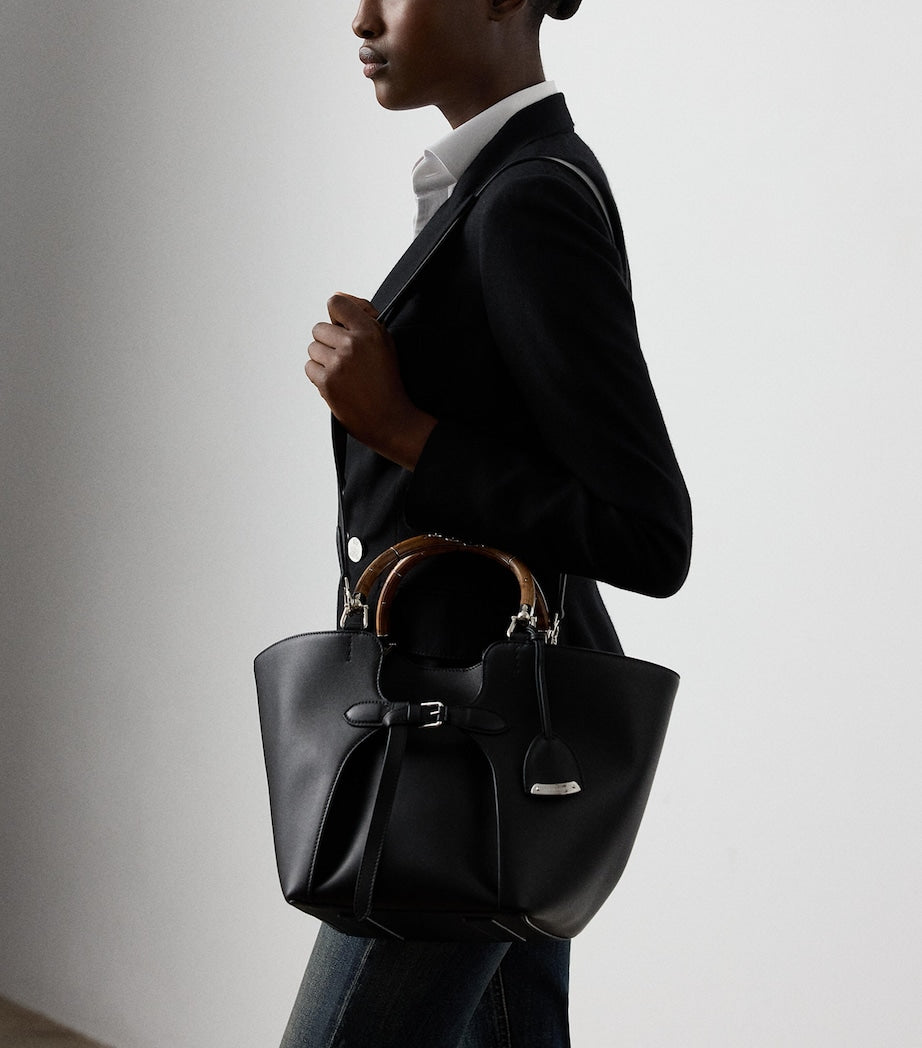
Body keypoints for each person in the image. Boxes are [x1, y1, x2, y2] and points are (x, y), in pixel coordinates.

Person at [284, 0, 691, 1044]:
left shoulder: (526, 201)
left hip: (457, 761)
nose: (362, 16)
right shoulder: (503, 182)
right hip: (498, 743)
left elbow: (648, 529)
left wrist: (404, 430)